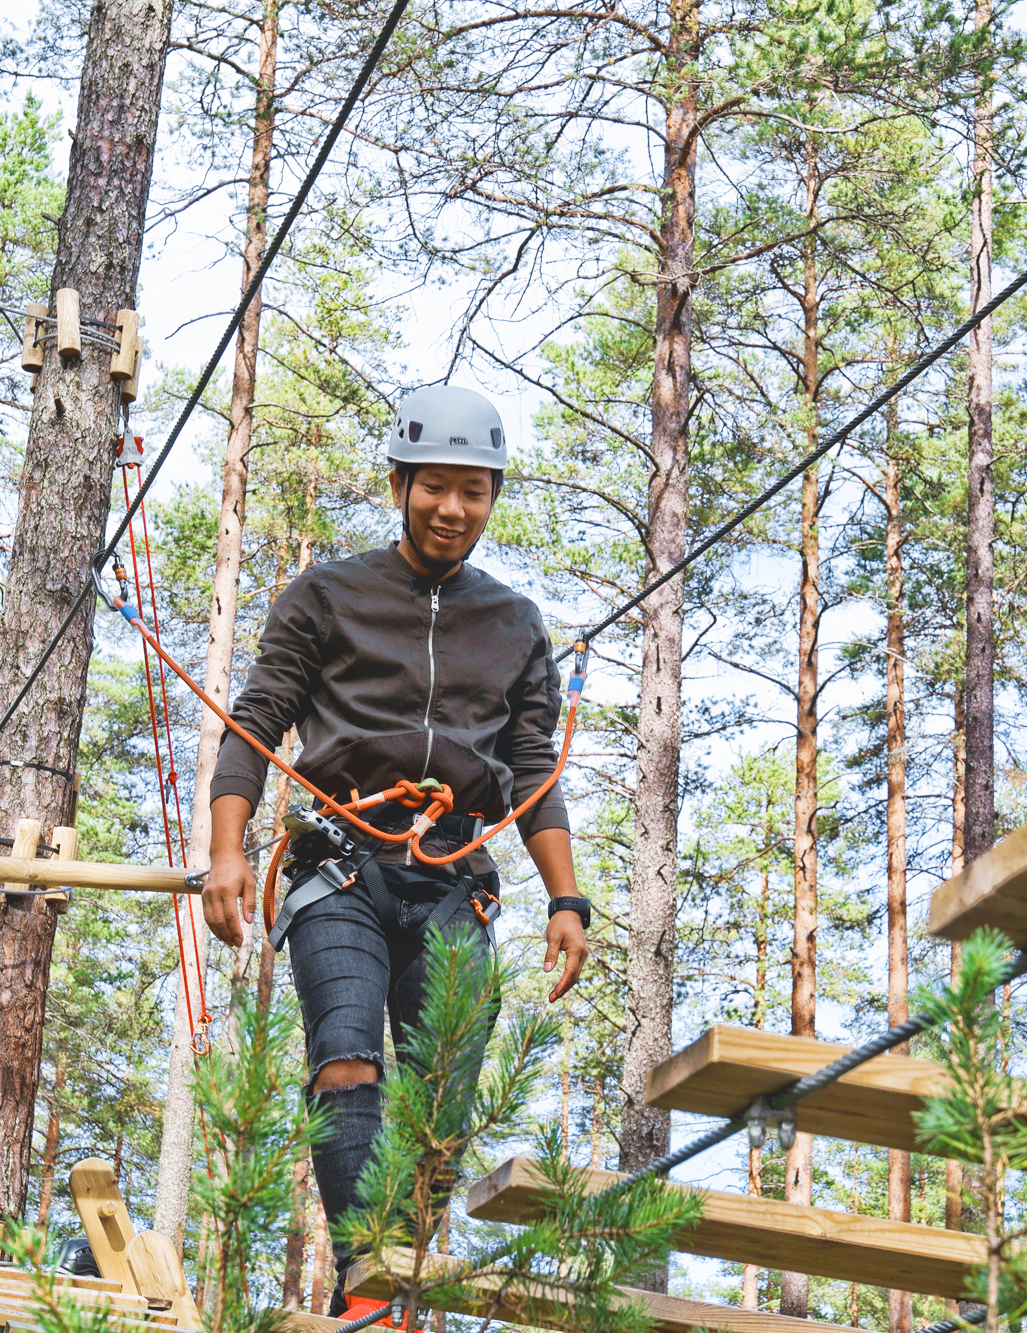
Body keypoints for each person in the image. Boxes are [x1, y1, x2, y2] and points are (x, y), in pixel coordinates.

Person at [199, 384, 590, 1315]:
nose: (454, 509)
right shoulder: (327, 596)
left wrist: (568, 899)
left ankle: (399, 1273)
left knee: (443, 1096)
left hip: (456, 872)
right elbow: (253, 726)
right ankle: (366, 1279)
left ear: (492, 497)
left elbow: (533, 768)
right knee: (345, 1058)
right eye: (436, 488)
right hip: (340, 861)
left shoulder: (513, 623)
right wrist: (226, 852)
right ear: (399, 483)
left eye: (476, 491)